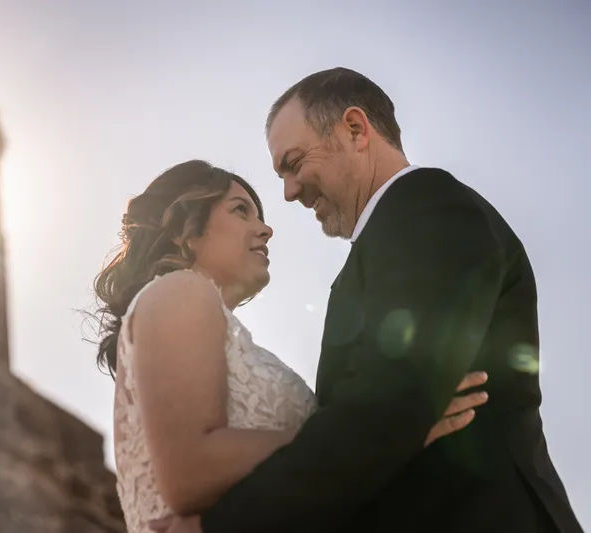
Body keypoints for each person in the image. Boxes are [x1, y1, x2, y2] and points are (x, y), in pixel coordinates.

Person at [153, 70, 584, 533]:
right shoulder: (385, 243)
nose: (289, 192)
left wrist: (220, 527)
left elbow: (388, 407)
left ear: (355, 129)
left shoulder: (430, 209)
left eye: (294, 163)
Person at [92, 159, 491, 533]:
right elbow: (190, 470)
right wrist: (382, 432)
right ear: (184, 231)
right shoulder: (179, 291)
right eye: (240, 211)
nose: (265, 229)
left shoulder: (202, 318)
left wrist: (394, 442)